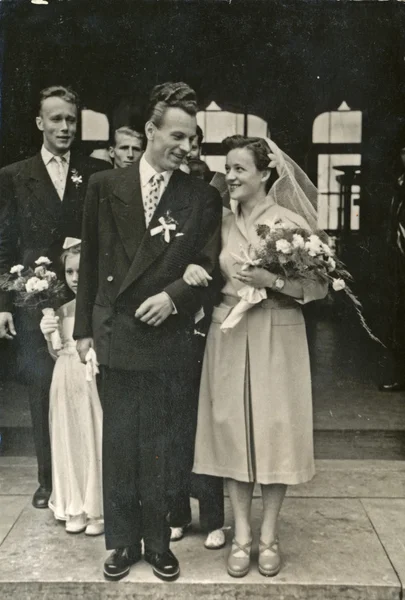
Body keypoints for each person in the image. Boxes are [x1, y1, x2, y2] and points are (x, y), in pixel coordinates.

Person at [73, 81, 222, 582]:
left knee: (160, 443)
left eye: (192, 137)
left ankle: (158, 542)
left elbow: (209, 268)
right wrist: (82, 332)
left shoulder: (200, 196)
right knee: (118, 442)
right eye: (176, 135)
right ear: (150, 131)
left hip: (166, 336)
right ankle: (120, 543)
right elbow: (91, 263)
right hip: (115, 331)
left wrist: (174, 296)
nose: (184, 146)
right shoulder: (103, 185)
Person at [192, 135, 328, 578]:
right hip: (229, 330)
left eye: (239, 169)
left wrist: (273, 279)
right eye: (227, 168)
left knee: (273, 432)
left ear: (265, 174)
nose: (229, 176)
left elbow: (318, 288)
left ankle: (269, 535)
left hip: (277, 331)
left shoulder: (290, 222)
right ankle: (242, 535)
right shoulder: (220, 222)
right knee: (232, 430)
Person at [0, 85, 110, 510]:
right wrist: (4, 305)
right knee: (41, 389)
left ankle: (90, 478)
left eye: (71, 119)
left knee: (87, 388)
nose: (65, 127)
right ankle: (50, 480)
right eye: (57, 119)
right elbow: (5, 242)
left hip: (83, 298)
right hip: (34, 301)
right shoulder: (14, 175)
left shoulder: (93, 170)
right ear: (40, 123)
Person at [39, 238, 103, 535]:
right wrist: (48, 335)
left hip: (91, 379)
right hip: (65, 378)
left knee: (94, 436)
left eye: (81, 271)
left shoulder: (100, 306)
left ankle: (97, 508)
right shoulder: (62, 310)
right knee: (69, 436)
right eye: (69, 273)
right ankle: (73, 505)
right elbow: (57, 352)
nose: (76, 279)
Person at [379, 145, 405, 392]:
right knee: (399, 319)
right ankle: (400, 376)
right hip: (400, 261)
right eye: (404, 151)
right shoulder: (399, 183)